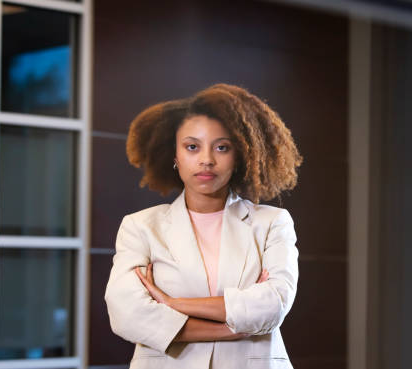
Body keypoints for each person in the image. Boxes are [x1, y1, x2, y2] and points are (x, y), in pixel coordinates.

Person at [104, 83, 303, 369]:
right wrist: (232, 327)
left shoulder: (272, 223)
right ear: (175, 155)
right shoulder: (140, 227)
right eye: (192, 147)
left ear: (239, 156)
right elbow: (127, 314)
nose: (206, 160)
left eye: (222, 147)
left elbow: (272, 306)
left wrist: (173, 304)